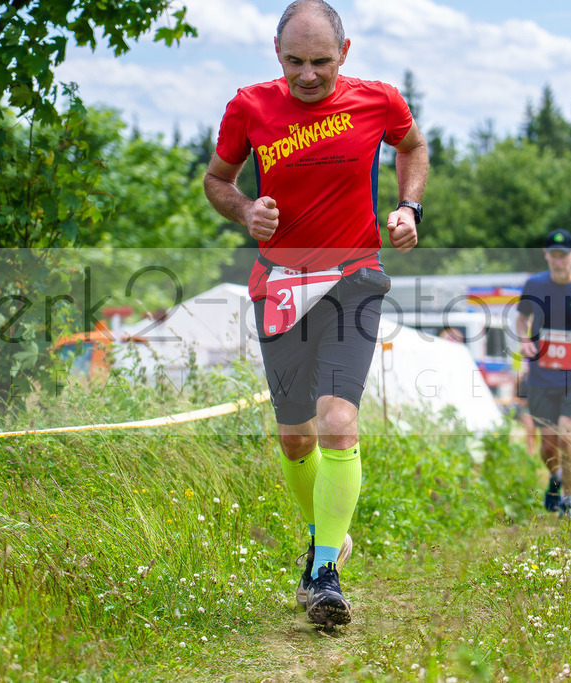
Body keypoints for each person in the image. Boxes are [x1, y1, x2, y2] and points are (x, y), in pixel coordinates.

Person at [203, 0, 428, 628]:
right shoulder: (249, 106)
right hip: (279, 283)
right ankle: (324, 534)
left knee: (338, 421)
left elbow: (412, 147)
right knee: (296, 436)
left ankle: (324, 572)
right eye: (294, 62)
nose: (307, 75)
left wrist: (409, 208)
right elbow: (217, 180)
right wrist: (245, 211)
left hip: (354, 277)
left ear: (345, 53)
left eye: (321, 62)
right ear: (277, 56)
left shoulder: (378, 100)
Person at [516, 229, 571, 519]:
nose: (559, 261)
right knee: (548, 445)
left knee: (568, 436)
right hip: (541, 376)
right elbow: (522, 318)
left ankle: (569, 500)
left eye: (563, 256)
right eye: (554, 256)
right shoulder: (534, 284)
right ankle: (556, 476)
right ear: (546, 256)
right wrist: (524, 339)